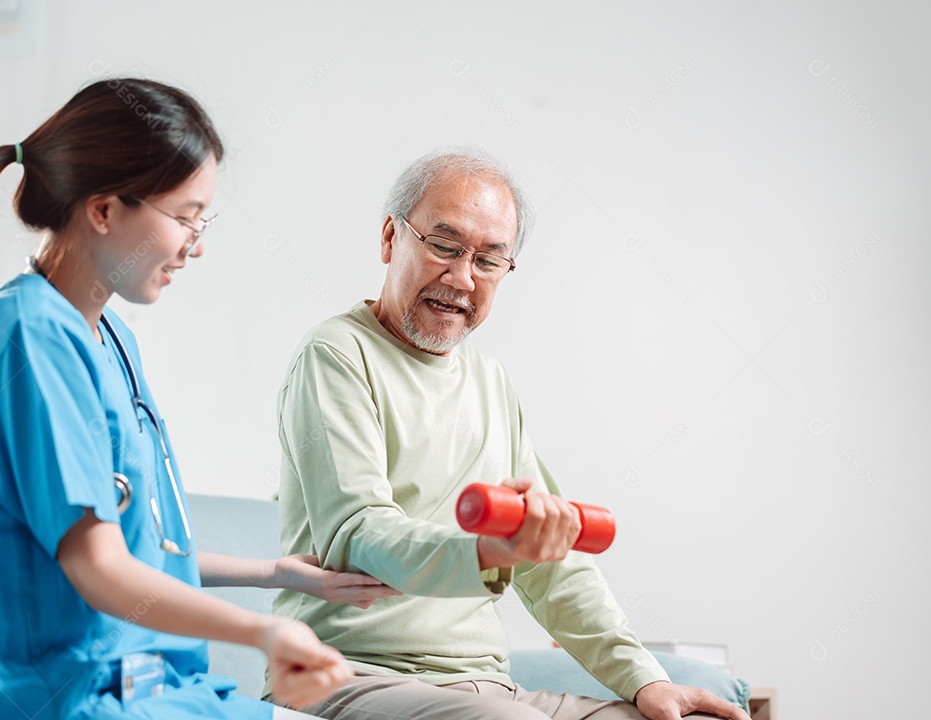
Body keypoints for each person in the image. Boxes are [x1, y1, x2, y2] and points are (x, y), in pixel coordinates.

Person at [0, 78, 397, 720]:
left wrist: (276, 573)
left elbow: (137, 548)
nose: (198, 242)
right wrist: (264, 631)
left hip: (143, 689)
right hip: (53, 701)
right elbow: (99, 569)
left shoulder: (109, 339)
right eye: (185, 217)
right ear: (104, 210)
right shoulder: (25, 342)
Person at [270, 148, 751, 720]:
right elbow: (360, 535)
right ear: (390, 238)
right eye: (444, 246)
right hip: (345, 677)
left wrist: (645, 680)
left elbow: (550, 565)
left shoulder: (491, 381)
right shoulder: (336, 354)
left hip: (488, 689)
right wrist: (486, 553)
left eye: (489, 260)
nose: (462, 278)